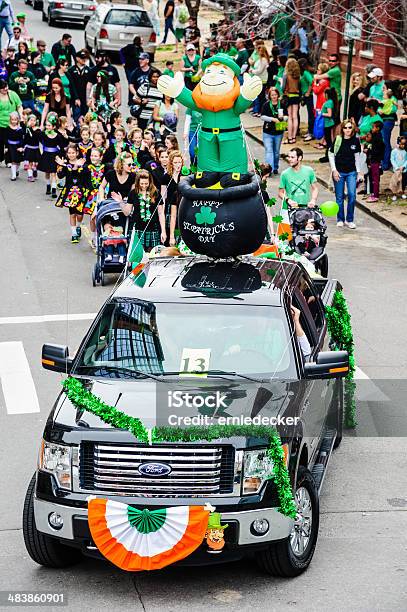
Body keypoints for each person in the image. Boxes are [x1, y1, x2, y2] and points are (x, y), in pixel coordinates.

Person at [328, 119, 362, 229]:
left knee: (352, 195)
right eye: (345, 127)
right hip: (339, 171)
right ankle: (340, 219)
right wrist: (334, 170)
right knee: (339, 197)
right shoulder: (338, 140)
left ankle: (350, 219)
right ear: (342, 129)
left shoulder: (356, 141)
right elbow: (331, 155)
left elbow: (357, 157)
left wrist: (359, 172)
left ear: (352, 129)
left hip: (351, 171)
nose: (347, 130)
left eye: (349, 127)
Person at [123, 169, 166, 250]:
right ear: (137, 182)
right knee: (138, 255)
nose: (144, 186)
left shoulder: (156, 193)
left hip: (153, 228)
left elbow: (161, 213)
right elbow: (127, 212)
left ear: (150, 182)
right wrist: (120, 202)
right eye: (141, 183)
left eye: (146, 183)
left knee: (152, 255)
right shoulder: (133, 193)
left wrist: (163, 231)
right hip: (137, 228)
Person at [55, 143, 89, 243]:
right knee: (72, 213)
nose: (71, 154)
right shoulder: (65, 165)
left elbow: (85, 176)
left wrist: (78, 167)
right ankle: (74, 233)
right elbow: (60, 176)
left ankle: (78, 226)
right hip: (70, 192)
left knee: (79, 214)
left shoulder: (82, 163)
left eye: (73, 152)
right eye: (69, 153)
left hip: (81, 191)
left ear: (77, 153)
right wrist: (61, 166)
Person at [261, 87, 287, 175]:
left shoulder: (282, 104)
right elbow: (262, 117)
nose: (274, 96)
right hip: (267, 131)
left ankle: (275, 167)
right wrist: (272, 119)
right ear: (269, 96)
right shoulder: (266, 105)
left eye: (275, 95)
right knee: (269, 150)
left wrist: (283, 118)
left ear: (278, 95)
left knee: (276, 152)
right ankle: (269, 170)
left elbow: (287, 116)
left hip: (279, 131)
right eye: (272, 95)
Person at [314, 53, 342, 120]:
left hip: (336, 97)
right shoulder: (332, 69)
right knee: (333, 118)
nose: (331, 62)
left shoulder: (335, 71)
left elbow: (318, 77)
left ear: (337, 62)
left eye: (333, 61)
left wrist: (315, 77)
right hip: (332, 96)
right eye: (330, 60)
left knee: (335, 119)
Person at [0, 78, 22, 163]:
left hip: (13, 124)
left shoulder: (13, 94)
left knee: (11, 144)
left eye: (6, 86)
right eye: (3, 88)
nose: (6, 89)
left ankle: (9, 161)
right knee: (1, 143)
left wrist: (20, 115)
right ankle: (1, 158)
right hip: (1, 124)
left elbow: (19, 106)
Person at [39, 112, 61, 197]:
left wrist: (59, 155)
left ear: (54, 127)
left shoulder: (57, 136)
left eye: (49, 126)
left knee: (53, 173)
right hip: (46, 155)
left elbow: (61, 146)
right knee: (47, 173)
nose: (47, 127)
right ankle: (48, 185)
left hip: (54, 156)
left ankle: (54, 190)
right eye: (46, 125)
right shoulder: (44, 135)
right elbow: (39, 139)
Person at [166, 150, 184, 245]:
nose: (178, 165)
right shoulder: (167, 177)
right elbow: (163, 194)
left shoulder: (185, 175)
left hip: (181, 203)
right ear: (171, 164)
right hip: (171, 204)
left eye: (180, 162)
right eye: (175, 162)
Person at [379, 82, 398, 171]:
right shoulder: (385, 97)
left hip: (388, 121)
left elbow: (393, 109)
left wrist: (382, 110)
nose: (382, 90)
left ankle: (386, 164)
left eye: (384, 88)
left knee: (385, 141)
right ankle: (385, 161)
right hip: (383, 121)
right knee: (383, 141)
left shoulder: (392, 98)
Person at [68, 49, 91, 122]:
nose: (84, 60)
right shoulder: (71, 70)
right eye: (82, 58)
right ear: (77, 58)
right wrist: (76, 98)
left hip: (85, 98)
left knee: (86, 117)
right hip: (75, 98)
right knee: (77, 117)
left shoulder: (89, 70)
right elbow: (71, 85)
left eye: (85, 58)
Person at [282, 58, 301, 145]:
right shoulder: (298, 75)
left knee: (289, 117)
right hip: (296, 96)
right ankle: (294, 137)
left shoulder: (286, 75)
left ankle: (289, 137)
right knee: (295, 117)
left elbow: (283, 87)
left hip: (289, 96)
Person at [366, 122, 385, 203]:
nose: (372, 129)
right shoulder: (376, 136)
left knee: (375, 178)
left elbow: (377, 150)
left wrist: (369, 150)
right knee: (373, 177)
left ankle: (376, 195)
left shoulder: (378, 138)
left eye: (373, 127)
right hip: (374, 160)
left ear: (377, 128)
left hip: (376, 160)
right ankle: (373, 193)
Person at [249, 45, 269, 116]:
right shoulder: (260, 59)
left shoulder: (263, 60)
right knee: (259, 96)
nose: (258, 52)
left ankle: (262, 111)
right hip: (258, 79)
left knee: (261, 97)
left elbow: (259, 71)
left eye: (260, 50)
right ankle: (259, 110)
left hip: (262, 80)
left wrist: (252, 71)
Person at [319, 87, 338, 163]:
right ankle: (329, 155)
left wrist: (321, 113)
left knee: (328, 141)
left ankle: (328, 156)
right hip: (329, 123)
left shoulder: (328, 103)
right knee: (329, 140)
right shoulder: (331, 102)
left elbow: (329, 114)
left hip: (328, 123)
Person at [5, 111, 24, 180]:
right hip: (10, 147)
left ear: (18, 120)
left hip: (17, 147)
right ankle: (13, 176)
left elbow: (21, 139)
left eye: (15, 120)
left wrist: (21, 147)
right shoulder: (8, 128)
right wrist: (6, 147)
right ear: (10, 120)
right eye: (12, 120)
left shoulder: (20, 129)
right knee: (13, 161)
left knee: (18, 162)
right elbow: (6, 138)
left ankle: (16, 170)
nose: (14, 121)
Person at [23, 113, 40, 181]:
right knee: (30, 162)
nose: (32, 122)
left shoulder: (38, 130)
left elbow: (40, 139)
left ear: (36, 121)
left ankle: (35, 170)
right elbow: (25, 139)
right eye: (31, 120)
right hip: (30, 148)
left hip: (36, 148)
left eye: (34, 120)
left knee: (36, 162)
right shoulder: (27, 129)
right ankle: (30, 176)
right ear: (28, 121)